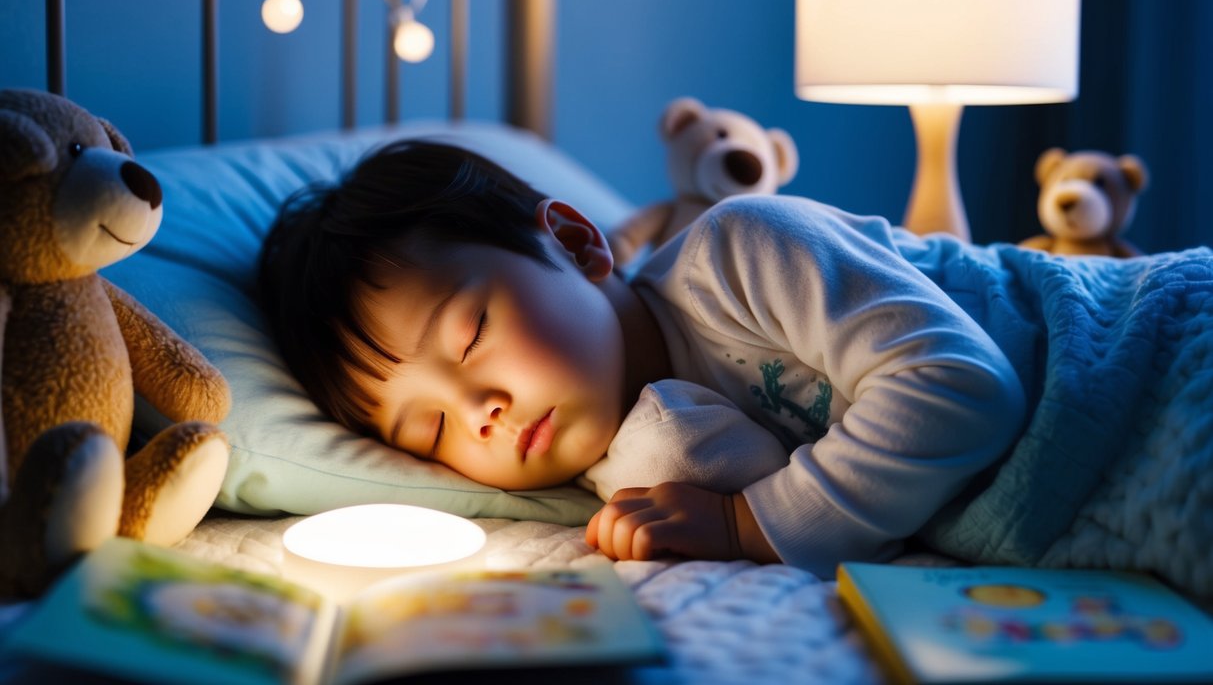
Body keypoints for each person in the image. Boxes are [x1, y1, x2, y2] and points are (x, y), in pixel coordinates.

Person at [258, 140, 1026, 577]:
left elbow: (960, 385)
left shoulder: (744, 253)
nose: (477, 413)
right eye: (428, 430)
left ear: (575, 241)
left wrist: (748, 526)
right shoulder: (623, 471)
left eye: (468, 334)